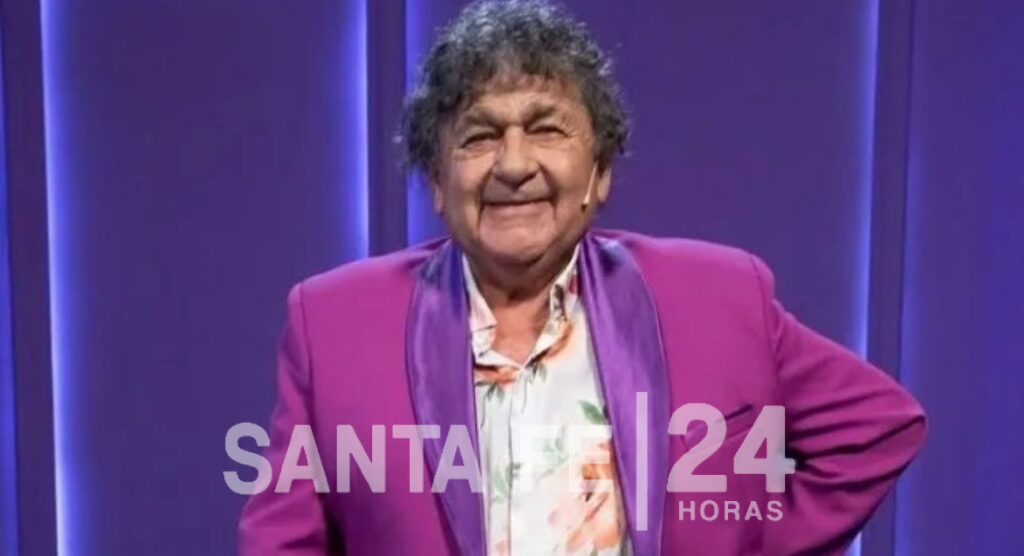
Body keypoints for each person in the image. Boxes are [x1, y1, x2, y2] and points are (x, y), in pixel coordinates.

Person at [238, 1, 925, 554]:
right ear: (438, 183)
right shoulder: (332, 324)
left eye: (546, 130)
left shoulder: (718, 296)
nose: (514, 165)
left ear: (599, 174)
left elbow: (875, 429)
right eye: (479, 136)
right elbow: (281, 543)